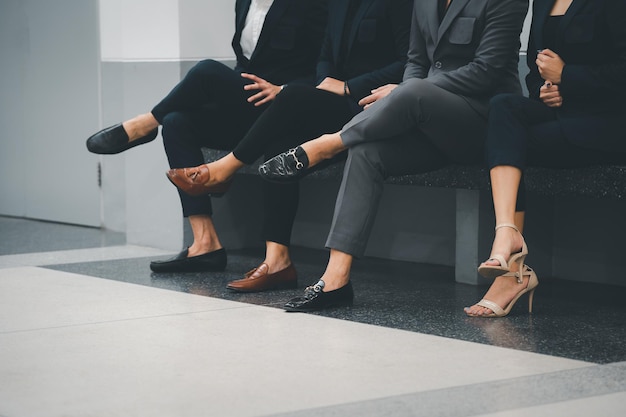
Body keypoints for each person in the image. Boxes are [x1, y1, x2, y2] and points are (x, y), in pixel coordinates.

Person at [258, 0, 530, 311]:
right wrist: (405, 92)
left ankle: (327, 144)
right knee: (365, 152)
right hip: (424, 117)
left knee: (412, 91)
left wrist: (404, 92)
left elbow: (487, 71)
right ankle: (335, 279)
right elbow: (415, 60)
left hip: (481, 122)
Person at [167, 0, 413, 292]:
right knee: (279, 139)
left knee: (290, 94)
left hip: (368, 106)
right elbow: (324, 55)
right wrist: (325, 83)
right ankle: (277, 260)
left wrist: (348, 86)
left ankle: (225, 168)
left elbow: (407, 64)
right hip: (330, 100)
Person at [85, 0, 327, 273]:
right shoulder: (244, 3)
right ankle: (205, 244)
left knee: (206, 71)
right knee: (177, 122)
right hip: (249, 104)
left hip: (287, 106)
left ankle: (145, 124)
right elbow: (245, 62)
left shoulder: (310, 4)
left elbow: (327, 64)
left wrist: (284, 89)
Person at [465, 0, 626, 317]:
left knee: (508, 146)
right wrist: (546, 88)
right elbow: (538, 70)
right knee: (503, 107)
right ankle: (506, 232)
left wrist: (569, 76)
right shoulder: (542, 1)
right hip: (562, 112)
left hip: (608, 122)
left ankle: (512, 273)